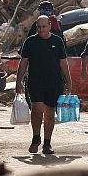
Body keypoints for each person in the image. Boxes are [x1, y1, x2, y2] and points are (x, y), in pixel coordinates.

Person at [16, 15, 72, 155]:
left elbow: (63, 63)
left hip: (54, 82)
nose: (41, 30)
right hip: (35, 81)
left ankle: (47, 143)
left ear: (49, 26)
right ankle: (36, 139)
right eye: (39, 27)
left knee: (49, 113)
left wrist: (69, 81)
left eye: (44, 27)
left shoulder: (57, 41)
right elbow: (23, 63)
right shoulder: (30, 42)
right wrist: (18, 81)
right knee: (37, 109)